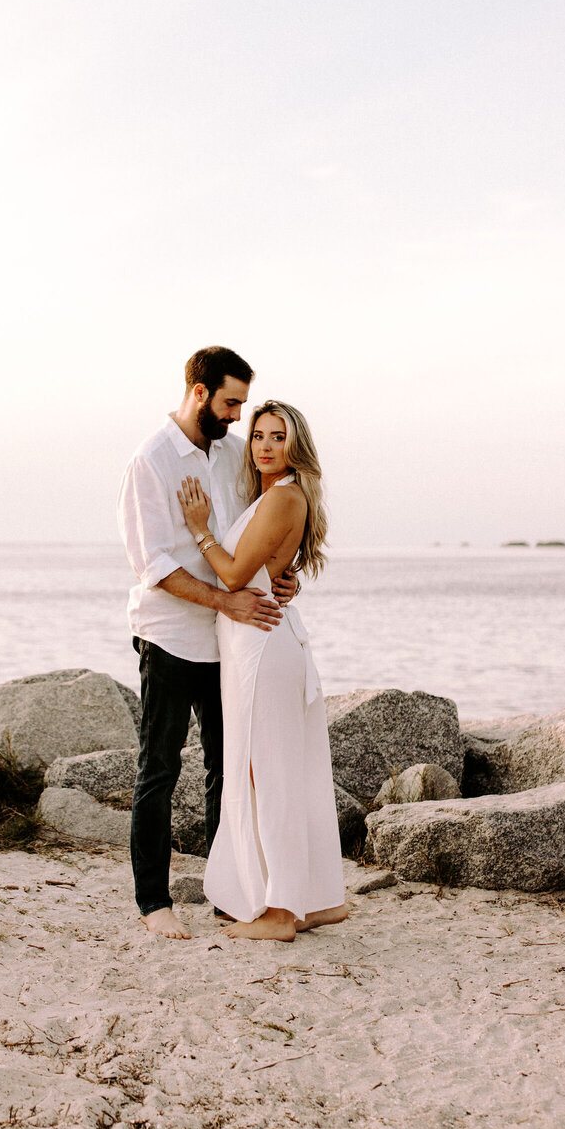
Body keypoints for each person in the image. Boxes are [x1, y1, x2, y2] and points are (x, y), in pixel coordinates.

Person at [117, 347, 298, 940]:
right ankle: (154, 903)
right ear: (199, 393)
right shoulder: (150, 461)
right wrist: (226, 600)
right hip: (169, 636)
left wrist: (278, 574)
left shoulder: (226, 454)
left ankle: (227, 895)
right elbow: (155, 565)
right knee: (159, 769)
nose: (239, 417)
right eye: (230, 403)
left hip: (227, 638)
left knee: (228, 768)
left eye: (242, 404)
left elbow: (247, 535)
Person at [177, 400, 347, 942]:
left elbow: (230, 577)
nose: (266, 446)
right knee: (284, 771)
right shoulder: (277, 496)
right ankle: (315, 900)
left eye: (278, 436)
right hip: (262, 643)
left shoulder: (283, 496)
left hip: (262, 649)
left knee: (264, 773)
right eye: (259, 436)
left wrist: (201, 530)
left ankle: (278, 914)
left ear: (296, 446)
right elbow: (264, 568)